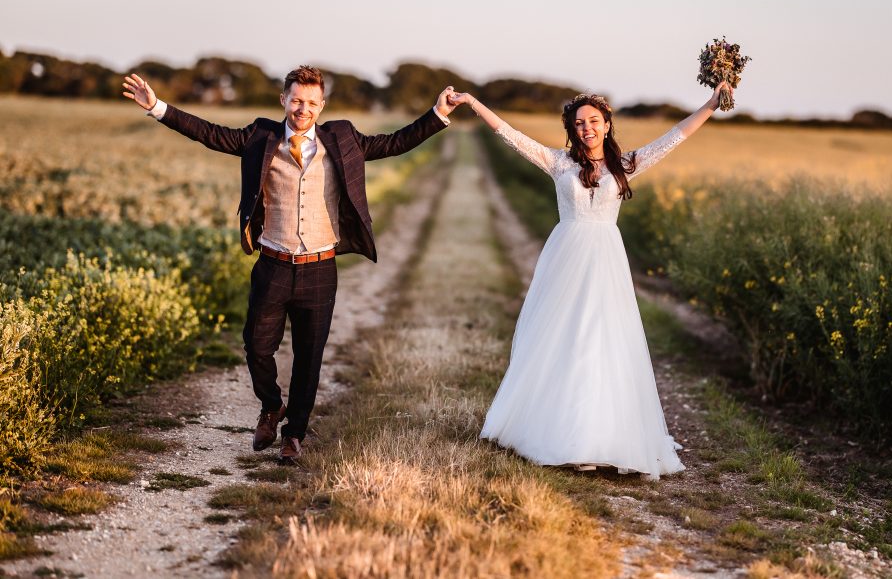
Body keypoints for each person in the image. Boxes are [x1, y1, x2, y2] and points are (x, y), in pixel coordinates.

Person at [122, 67, 460, 461]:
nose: (304, 109)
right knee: (256, 346)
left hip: (320, 266)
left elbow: (395, 142)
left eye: (312, 103)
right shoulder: (260, 137)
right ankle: (271, 405)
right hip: (273, 263)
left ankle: (293, 435)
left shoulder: (343, 138)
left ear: (322, 106)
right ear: (283, 100)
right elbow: (210, 133)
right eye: (297, 100)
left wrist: (436, 114)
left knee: (309, 357)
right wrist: (158, 107)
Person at [448, 81, 732, 479]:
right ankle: (568, 435)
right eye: (580, 123)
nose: (587, 128)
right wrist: (473, 103)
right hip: (566, 258)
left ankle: (602, 435)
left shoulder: (626, 164)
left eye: (594, 121)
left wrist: (711, 104)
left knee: (603, 340)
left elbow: (674, 137)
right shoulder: (558, 163)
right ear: (572, 128)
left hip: (606, 261)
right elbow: (509, 136)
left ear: (607, 124)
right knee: (567, 338)